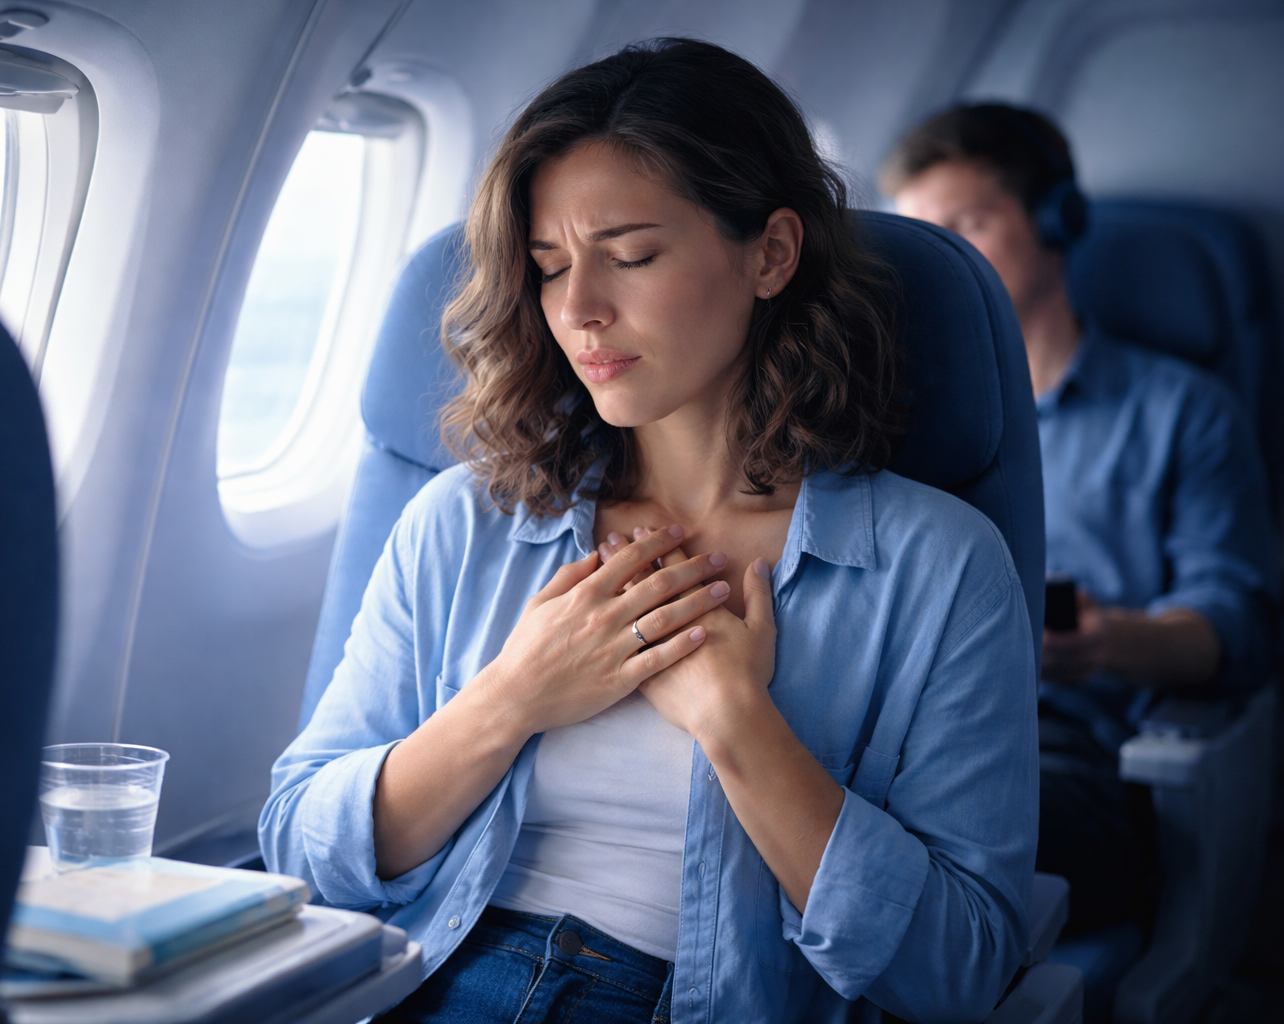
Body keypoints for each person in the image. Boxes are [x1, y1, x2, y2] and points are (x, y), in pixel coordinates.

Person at [262, 41, 1039, 1023]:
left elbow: (961, 968)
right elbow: (297, 842)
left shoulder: (938, 566)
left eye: (631, 256)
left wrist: (738, 724)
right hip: (438, 980)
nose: (578, 309)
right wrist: (510, 697)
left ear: (771, 254)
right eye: (548, 269)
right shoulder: (466, 520)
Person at [884, 104, 1277, 935]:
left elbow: (1239, 624)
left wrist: (1111, 642)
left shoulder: (1183, 412)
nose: (946, 261)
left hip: (1064, 757)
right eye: (926, 236)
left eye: (971, 223)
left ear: (1059, 223)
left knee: (886, 846)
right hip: (904, 733)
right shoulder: (892, 418)